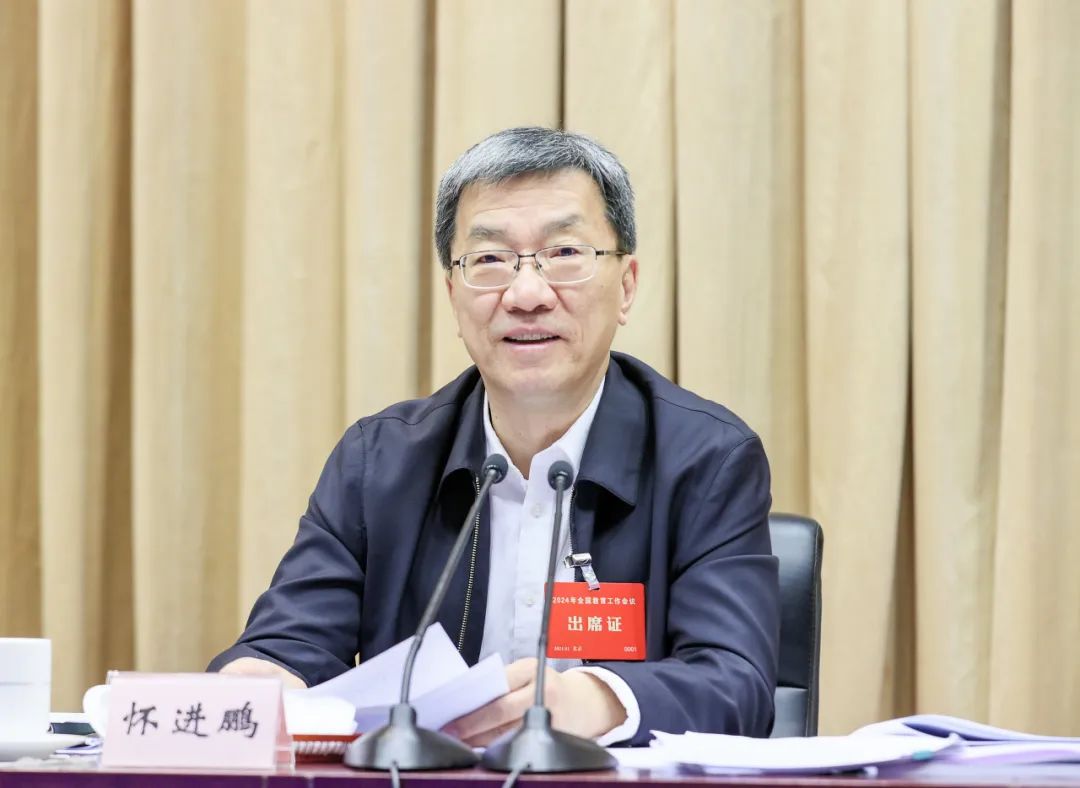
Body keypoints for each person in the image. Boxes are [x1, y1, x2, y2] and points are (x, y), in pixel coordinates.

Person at [209, 127, 780, 746]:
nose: (526, 294)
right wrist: (258, 684)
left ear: (626, 285)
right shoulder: (379, 462)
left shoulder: (707, 460)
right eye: (488, 260)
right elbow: (287, 645)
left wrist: (591, 701)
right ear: (453, 294)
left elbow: (736, 684)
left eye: (565, 253)